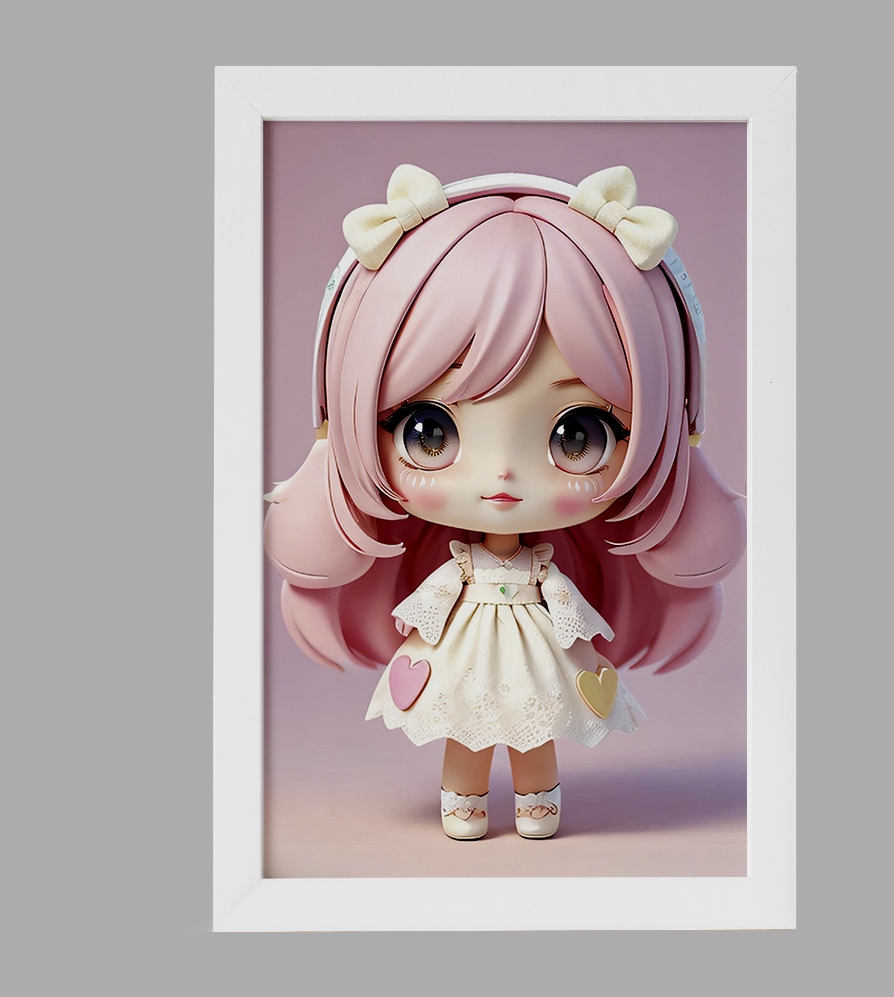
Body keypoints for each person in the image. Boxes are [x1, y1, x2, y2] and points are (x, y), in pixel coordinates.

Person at [264, 164, 746, 840]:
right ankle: (463, 800)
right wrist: (421, 633)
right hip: (468, 645)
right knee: (465, 725)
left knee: (532, 723)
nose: (500, 478)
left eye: (579, 435)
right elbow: (432, 602)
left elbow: (566, 605)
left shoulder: (543, 568)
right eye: (429, 431)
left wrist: (582, 638)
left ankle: (536, 800)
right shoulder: (460, 568)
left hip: (529, 647)